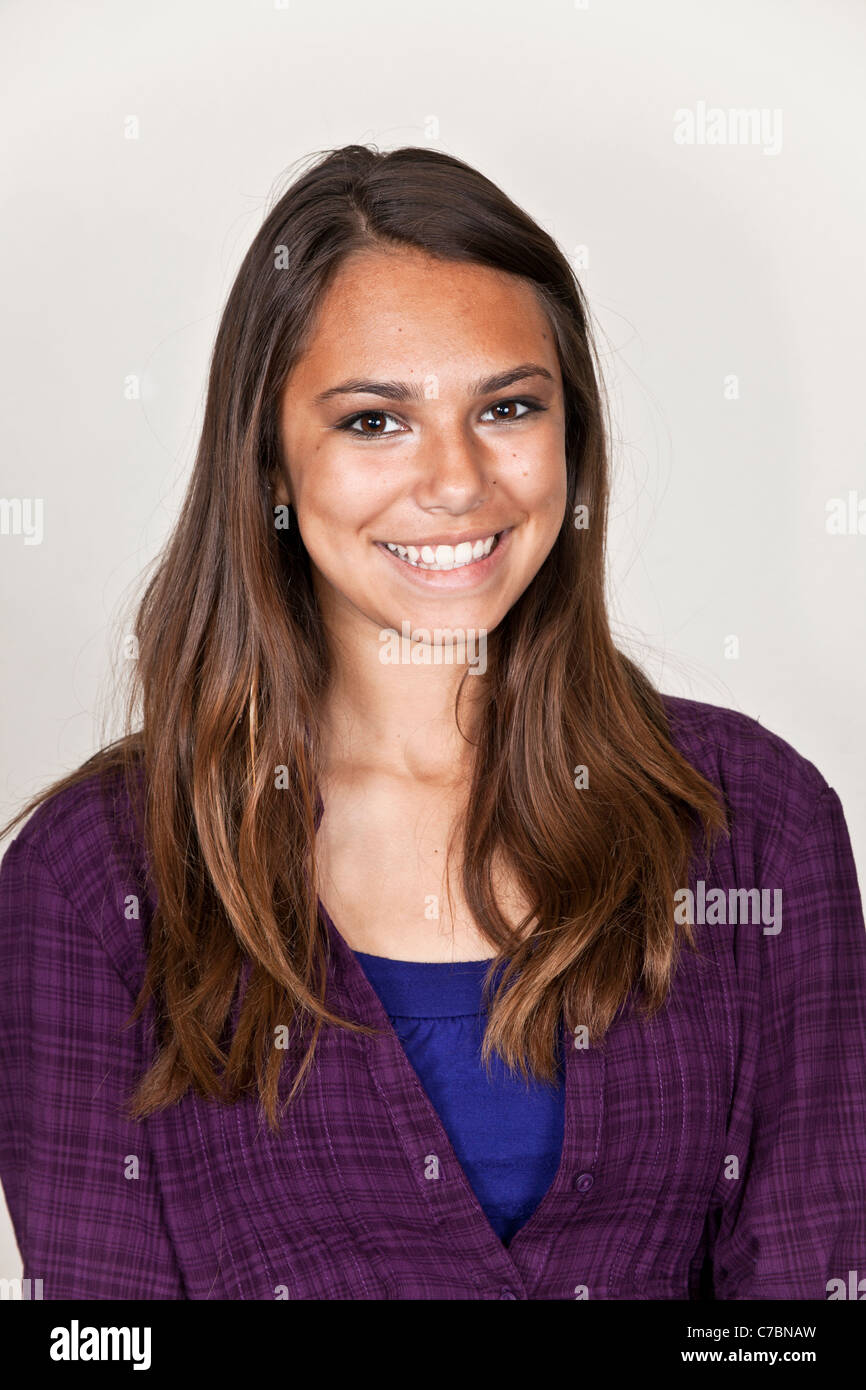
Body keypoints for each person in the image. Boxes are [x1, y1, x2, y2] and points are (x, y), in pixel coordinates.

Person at [1, 144, 864, 1301]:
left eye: (507, 407)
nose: (455, 480)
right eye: (374, 422)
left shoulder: (754, 823)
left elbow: (803, 1315)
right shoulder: (93, 876)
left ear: (573, 441)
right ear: (270, 461)